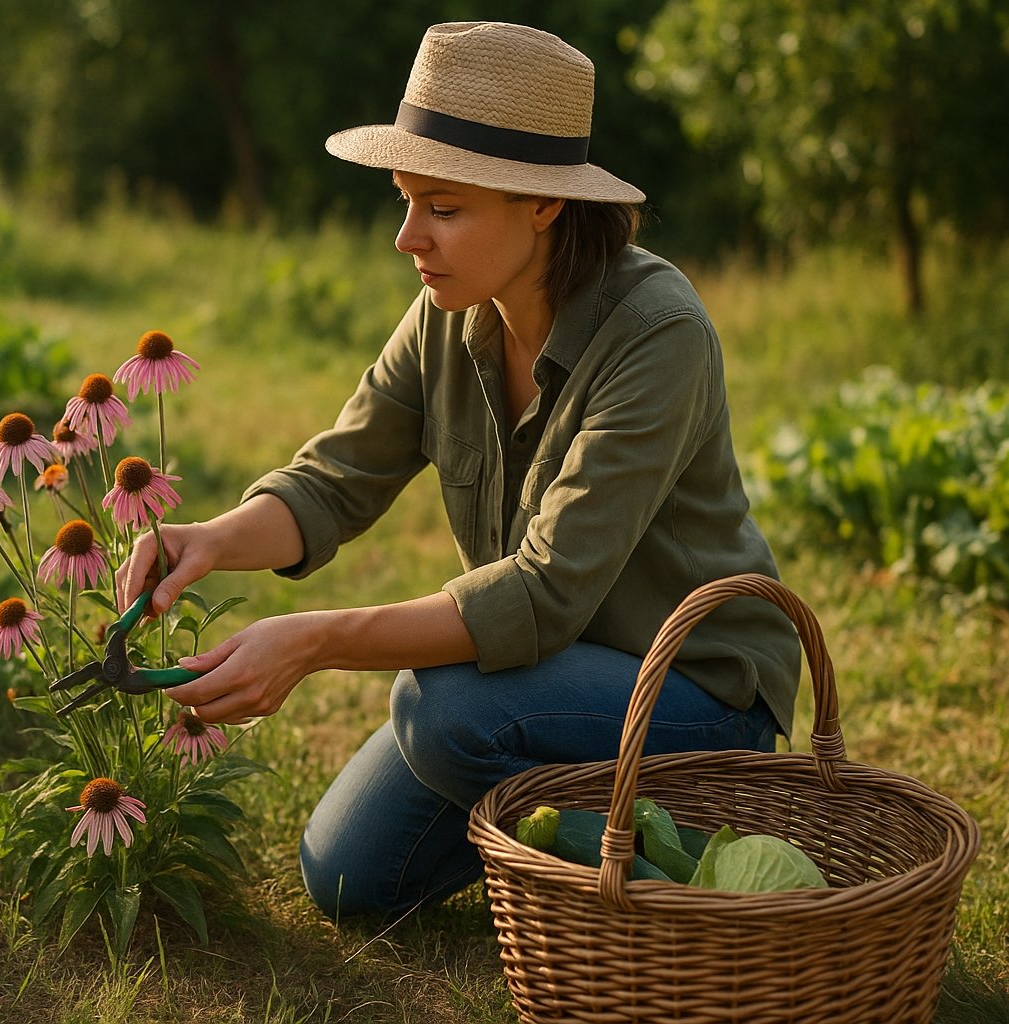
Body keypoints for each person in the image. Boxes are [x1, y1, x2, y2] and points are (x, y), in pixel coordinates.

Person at [117, 21, 801, 921]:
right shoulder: (449, 312)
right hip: (544, 680)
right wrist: (209, 538)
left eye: (442, 208)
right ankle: (581, 832)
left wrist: (316, 639)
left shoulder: (657, 333)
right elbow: (337, 477)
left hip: (692, 693)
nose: (408, 238)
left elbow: (547, 592)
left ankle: (649, 866)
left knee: (442, 712)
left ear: (544, 204)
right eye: (405, 201)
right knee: (351, 878)